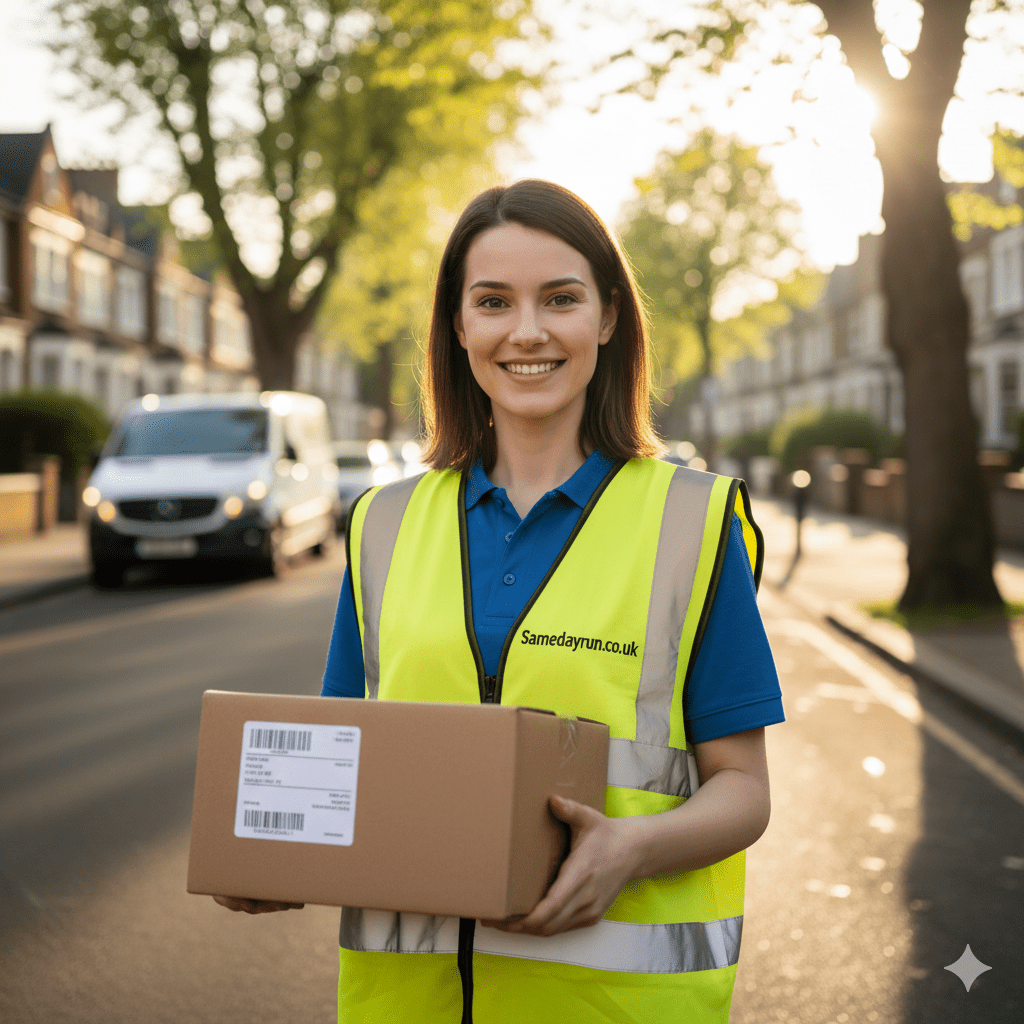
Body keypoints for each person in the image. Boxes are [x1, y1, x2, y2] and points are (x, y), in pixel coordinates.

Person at [216, 179, 784, 1023]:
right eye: (493, 302)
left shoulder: (692, 523)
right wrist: (276, 857)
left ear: (608, 318)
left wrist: (631, 848)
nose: (526, 332)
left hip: (609, 1008)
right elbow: (339, 765)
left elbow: (743, 789)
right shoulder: (381, 523)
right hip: (405, 1008)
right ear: (459, 326)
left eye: (560, 298)